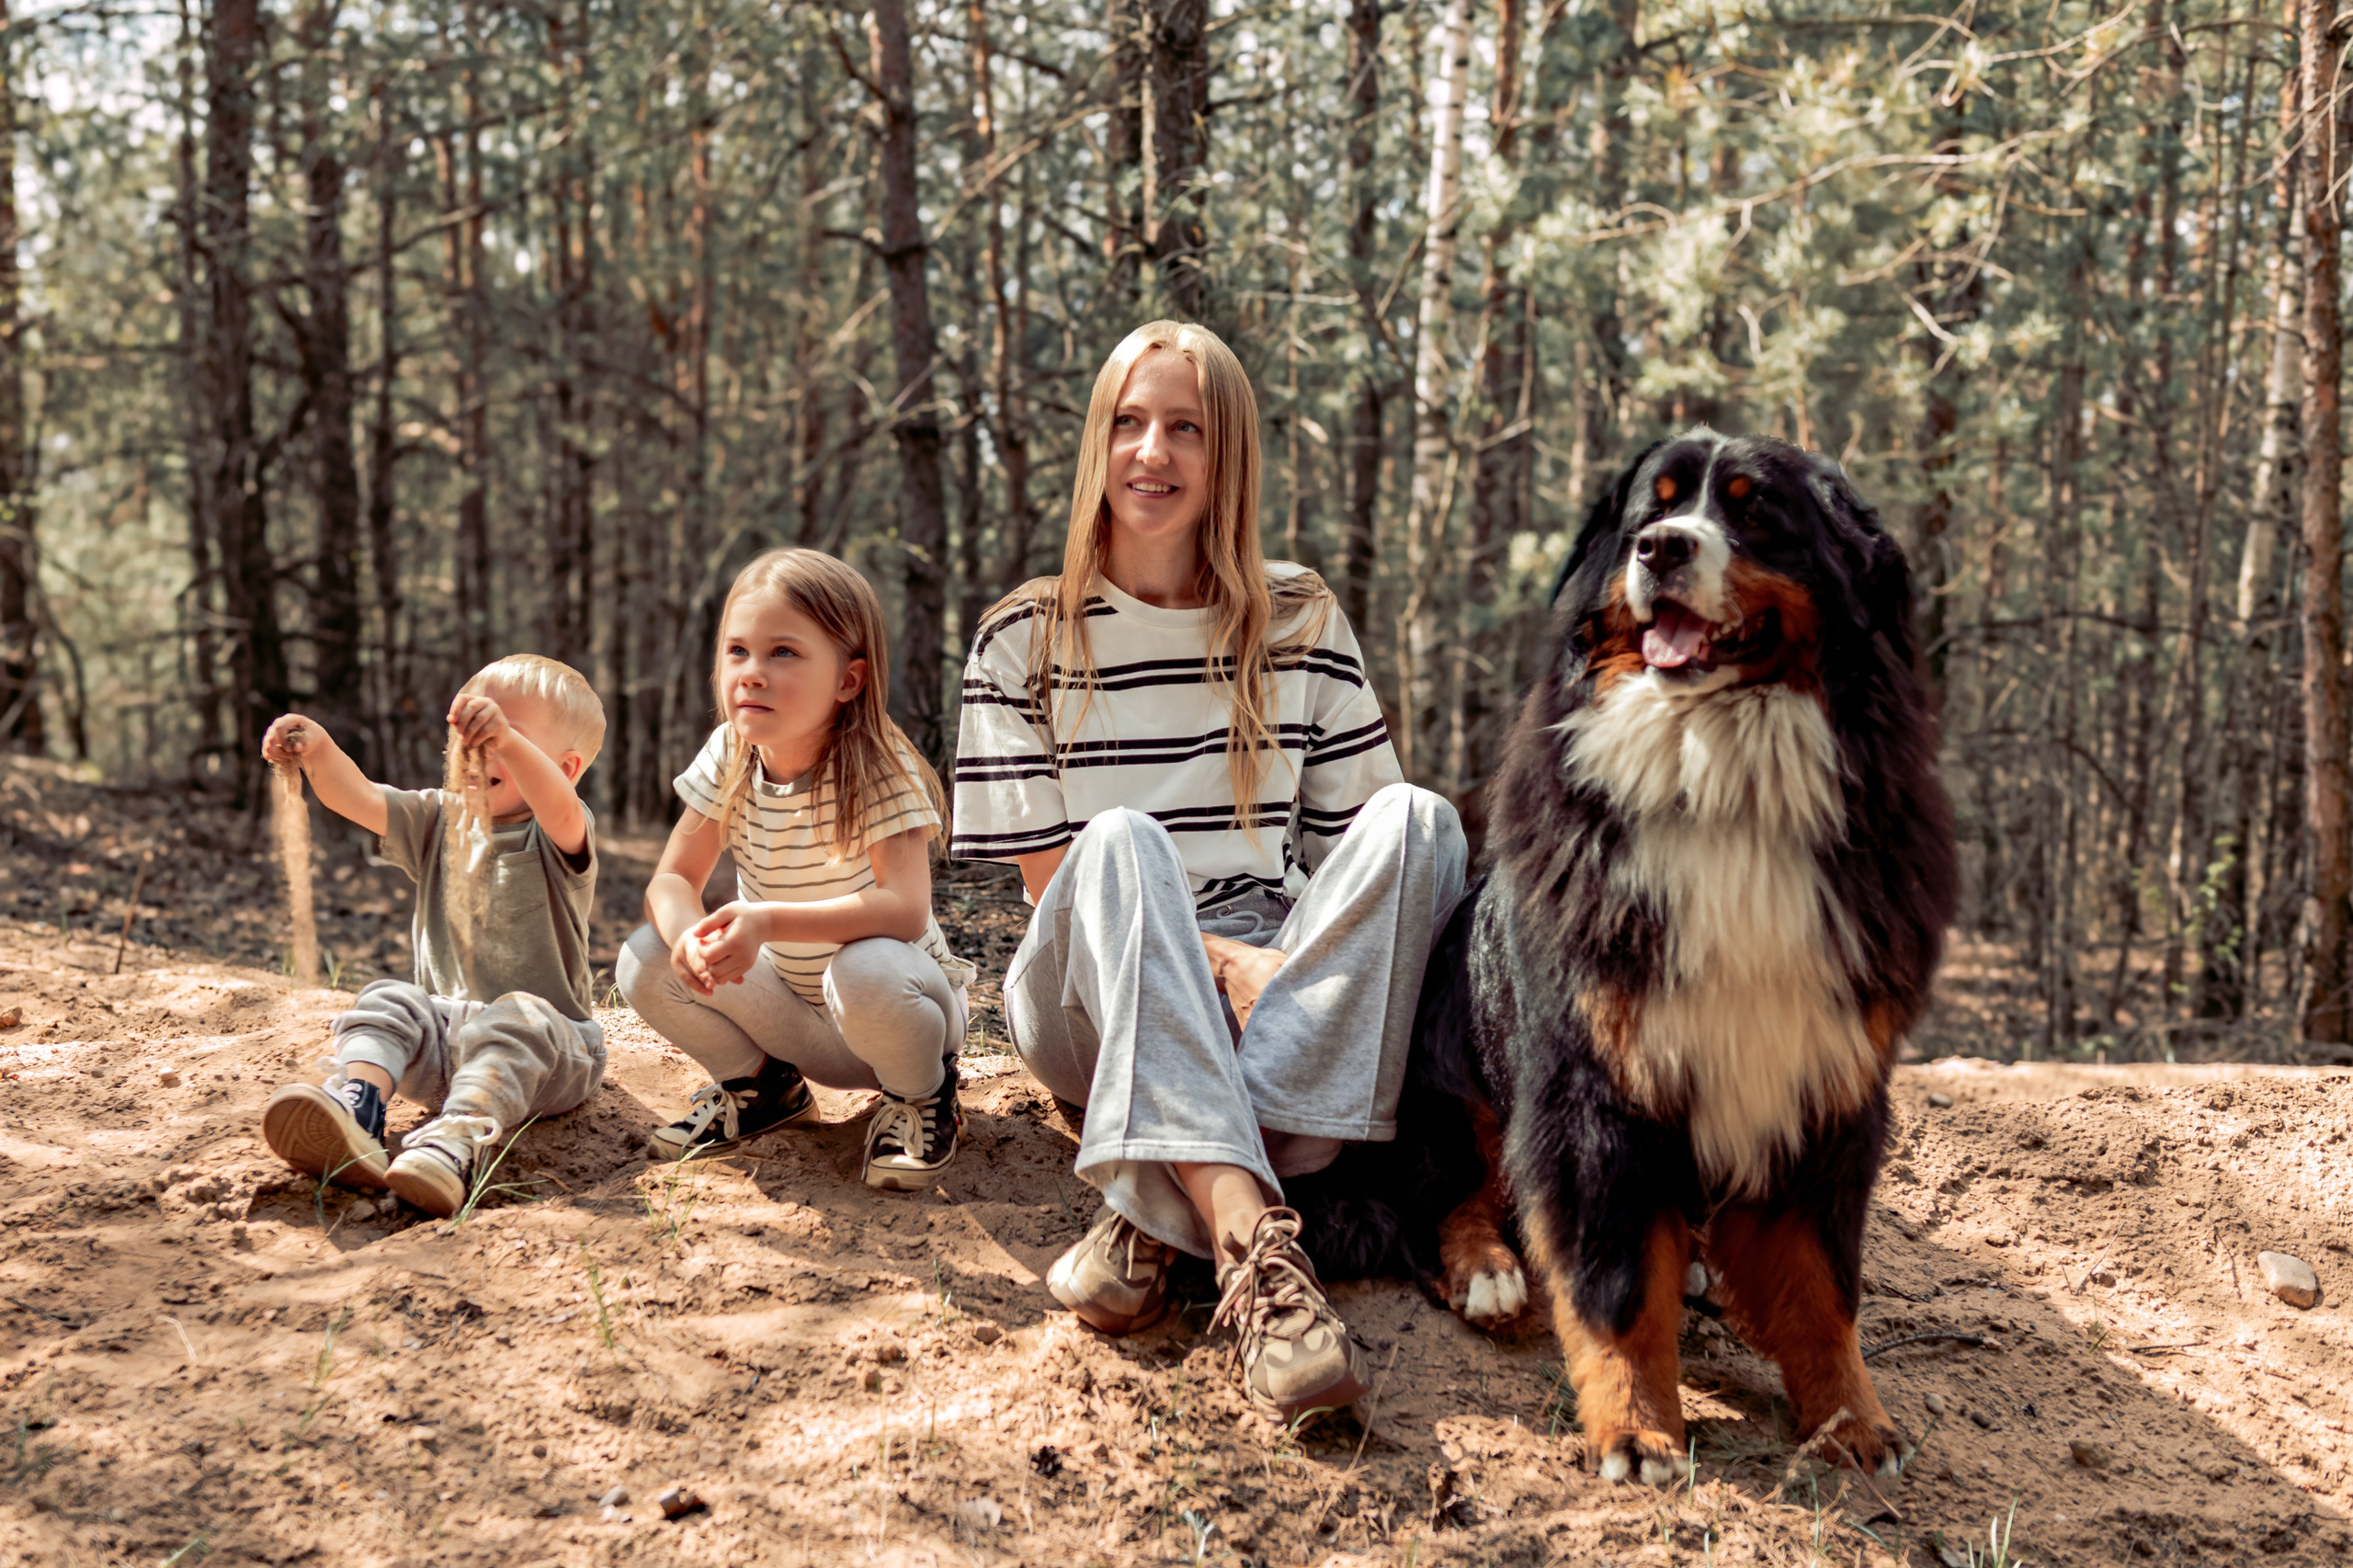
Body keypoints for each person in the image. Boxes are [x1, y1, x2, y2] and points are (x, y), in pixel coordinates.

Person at [952, 321, 1467, 1425]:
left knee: (1423, 822)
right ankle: (1251, 1239)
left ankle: (1160, 1209)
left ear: (1225, 457)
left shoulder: (1302, 621)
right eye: (1129, 422)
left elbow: (1351, 861)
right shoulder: (1020, 638)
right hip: (1094, 987)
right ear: (1097, 442)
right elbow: (1056, 890)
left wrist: (1279, 965)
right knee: (1123, 836)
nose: (1153, 452)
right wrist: (1221, 962)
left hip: (1280, 989)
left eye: (1185, 428)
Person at [616, 549, 973, 1191]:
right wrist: (688, 938)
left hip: (896, 1014)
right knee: (643, 957)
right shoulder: (731, 753)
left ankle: (923, 1099)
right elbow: (672, 880)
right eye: (737, 652)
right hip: (797, 1019)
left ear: (848, 680)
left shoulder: (877, 763)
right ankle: (764, 1090)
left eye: (783, 652)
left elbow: (904, 909)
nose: (751, 674)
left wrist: (768, 919)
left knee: (864, 967)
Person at [259, 655, 608, 1218]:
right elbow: (362, 798)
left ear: (563, 767)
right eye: (470, 731)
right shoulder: (439, 819)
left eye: (505, 734)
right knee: (387, 997)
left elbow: (560, 808)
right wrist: (317, 749)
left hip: (553, 1049)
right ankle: (358, 1106)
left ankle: (455, 1144)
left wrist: (511, 743)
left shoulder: (558, 833)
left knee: (519, 1015)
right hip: (449, 1042)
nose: (478, 746)